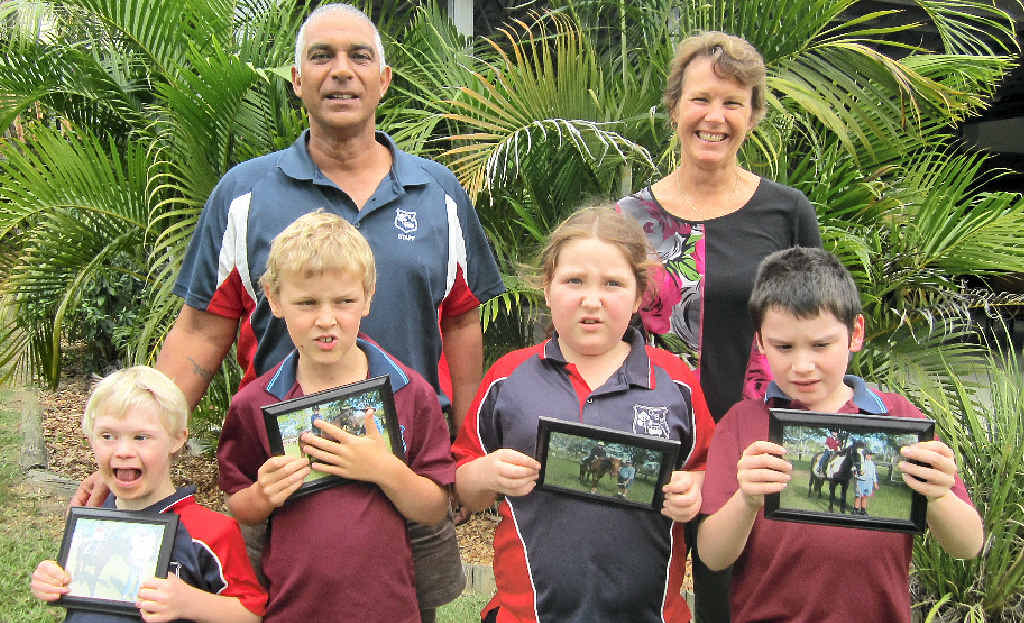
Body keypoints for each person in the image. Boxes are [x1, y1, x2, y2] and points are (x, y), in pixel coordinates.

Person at [73, 4, 502, 617]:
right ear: (296, 79)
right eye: (321, 56)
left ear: (384, 79)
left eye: (359, 56)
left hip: (403, 472)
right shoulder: (245, 194)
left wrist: (466, 452)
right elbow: (199, 332)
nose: (341, 72)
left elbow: (460, 321)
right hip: (285, 481)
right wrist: (138, 443)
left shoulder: (439, 194)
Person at [616, 31, 822, 622]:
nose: (716, 117)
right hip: (651, 445)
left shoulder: (785, 212)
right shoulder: (630, 221)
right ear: (675, 106)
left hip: (756, 448)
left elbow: (819, 323)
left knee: (738, 604)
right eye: (701, 99)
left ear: (753, 115)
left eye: (734, 102)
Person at [453, 206, 715, 623]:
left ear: (639, 296)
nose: (591, 300)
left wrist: (696, 489)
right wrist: (486, 474)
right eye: (574, 281)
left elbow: (710, 477)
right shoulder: (508, 378)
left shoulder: (676, 383)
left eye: (613, 283)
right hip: (527, 614)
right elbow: (464, 486)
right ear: (546, 287)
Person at [697, 247, 984, 623]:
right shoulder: (741, 424)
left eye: (821, 345)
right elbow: (712, 555)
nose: (802, 365)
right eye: (784, 346)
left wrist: (937, 493)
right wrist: (746, 501)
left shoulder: (898, 418)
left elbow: (968, 545)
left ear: (855, 334)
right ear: (761, 343)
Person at [216, 211, 455, 622]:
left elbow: (435, 506)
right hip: (291, 607)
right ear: (274, 300)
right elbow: (237, 503)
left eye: (343, 301)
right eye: (307, 303)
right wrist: (262, 495)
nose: (326, 319)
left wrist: (385, 470)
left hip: (389, 609)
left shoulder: (410, 392)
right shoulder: (254, 403)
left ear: (368, 295)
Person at [30, 367, 267, 623]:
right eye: (107, 436)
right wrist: (52, 580)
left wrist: (192, 603)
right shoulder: (93, 523)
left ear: (177, 439)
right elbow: (79, 587)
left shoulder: (211, 532)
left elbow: (251, 613)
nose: (122, 451)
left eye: (141, 437)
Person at [854, 450, 879, 515]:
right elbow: (855, 472)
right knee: (858, 496)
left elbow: (874, 474)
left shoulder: (872, 463)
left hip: (869, 482)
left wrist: (875, 483)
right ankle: (855, 510)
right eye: (868, 454)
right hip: (861, 481)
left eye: (871, 454)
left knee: (865, 496)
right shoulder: (861, 463)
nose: (870, 456)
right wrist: (858, 474)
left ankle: (863, 511)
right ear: (864, 455)